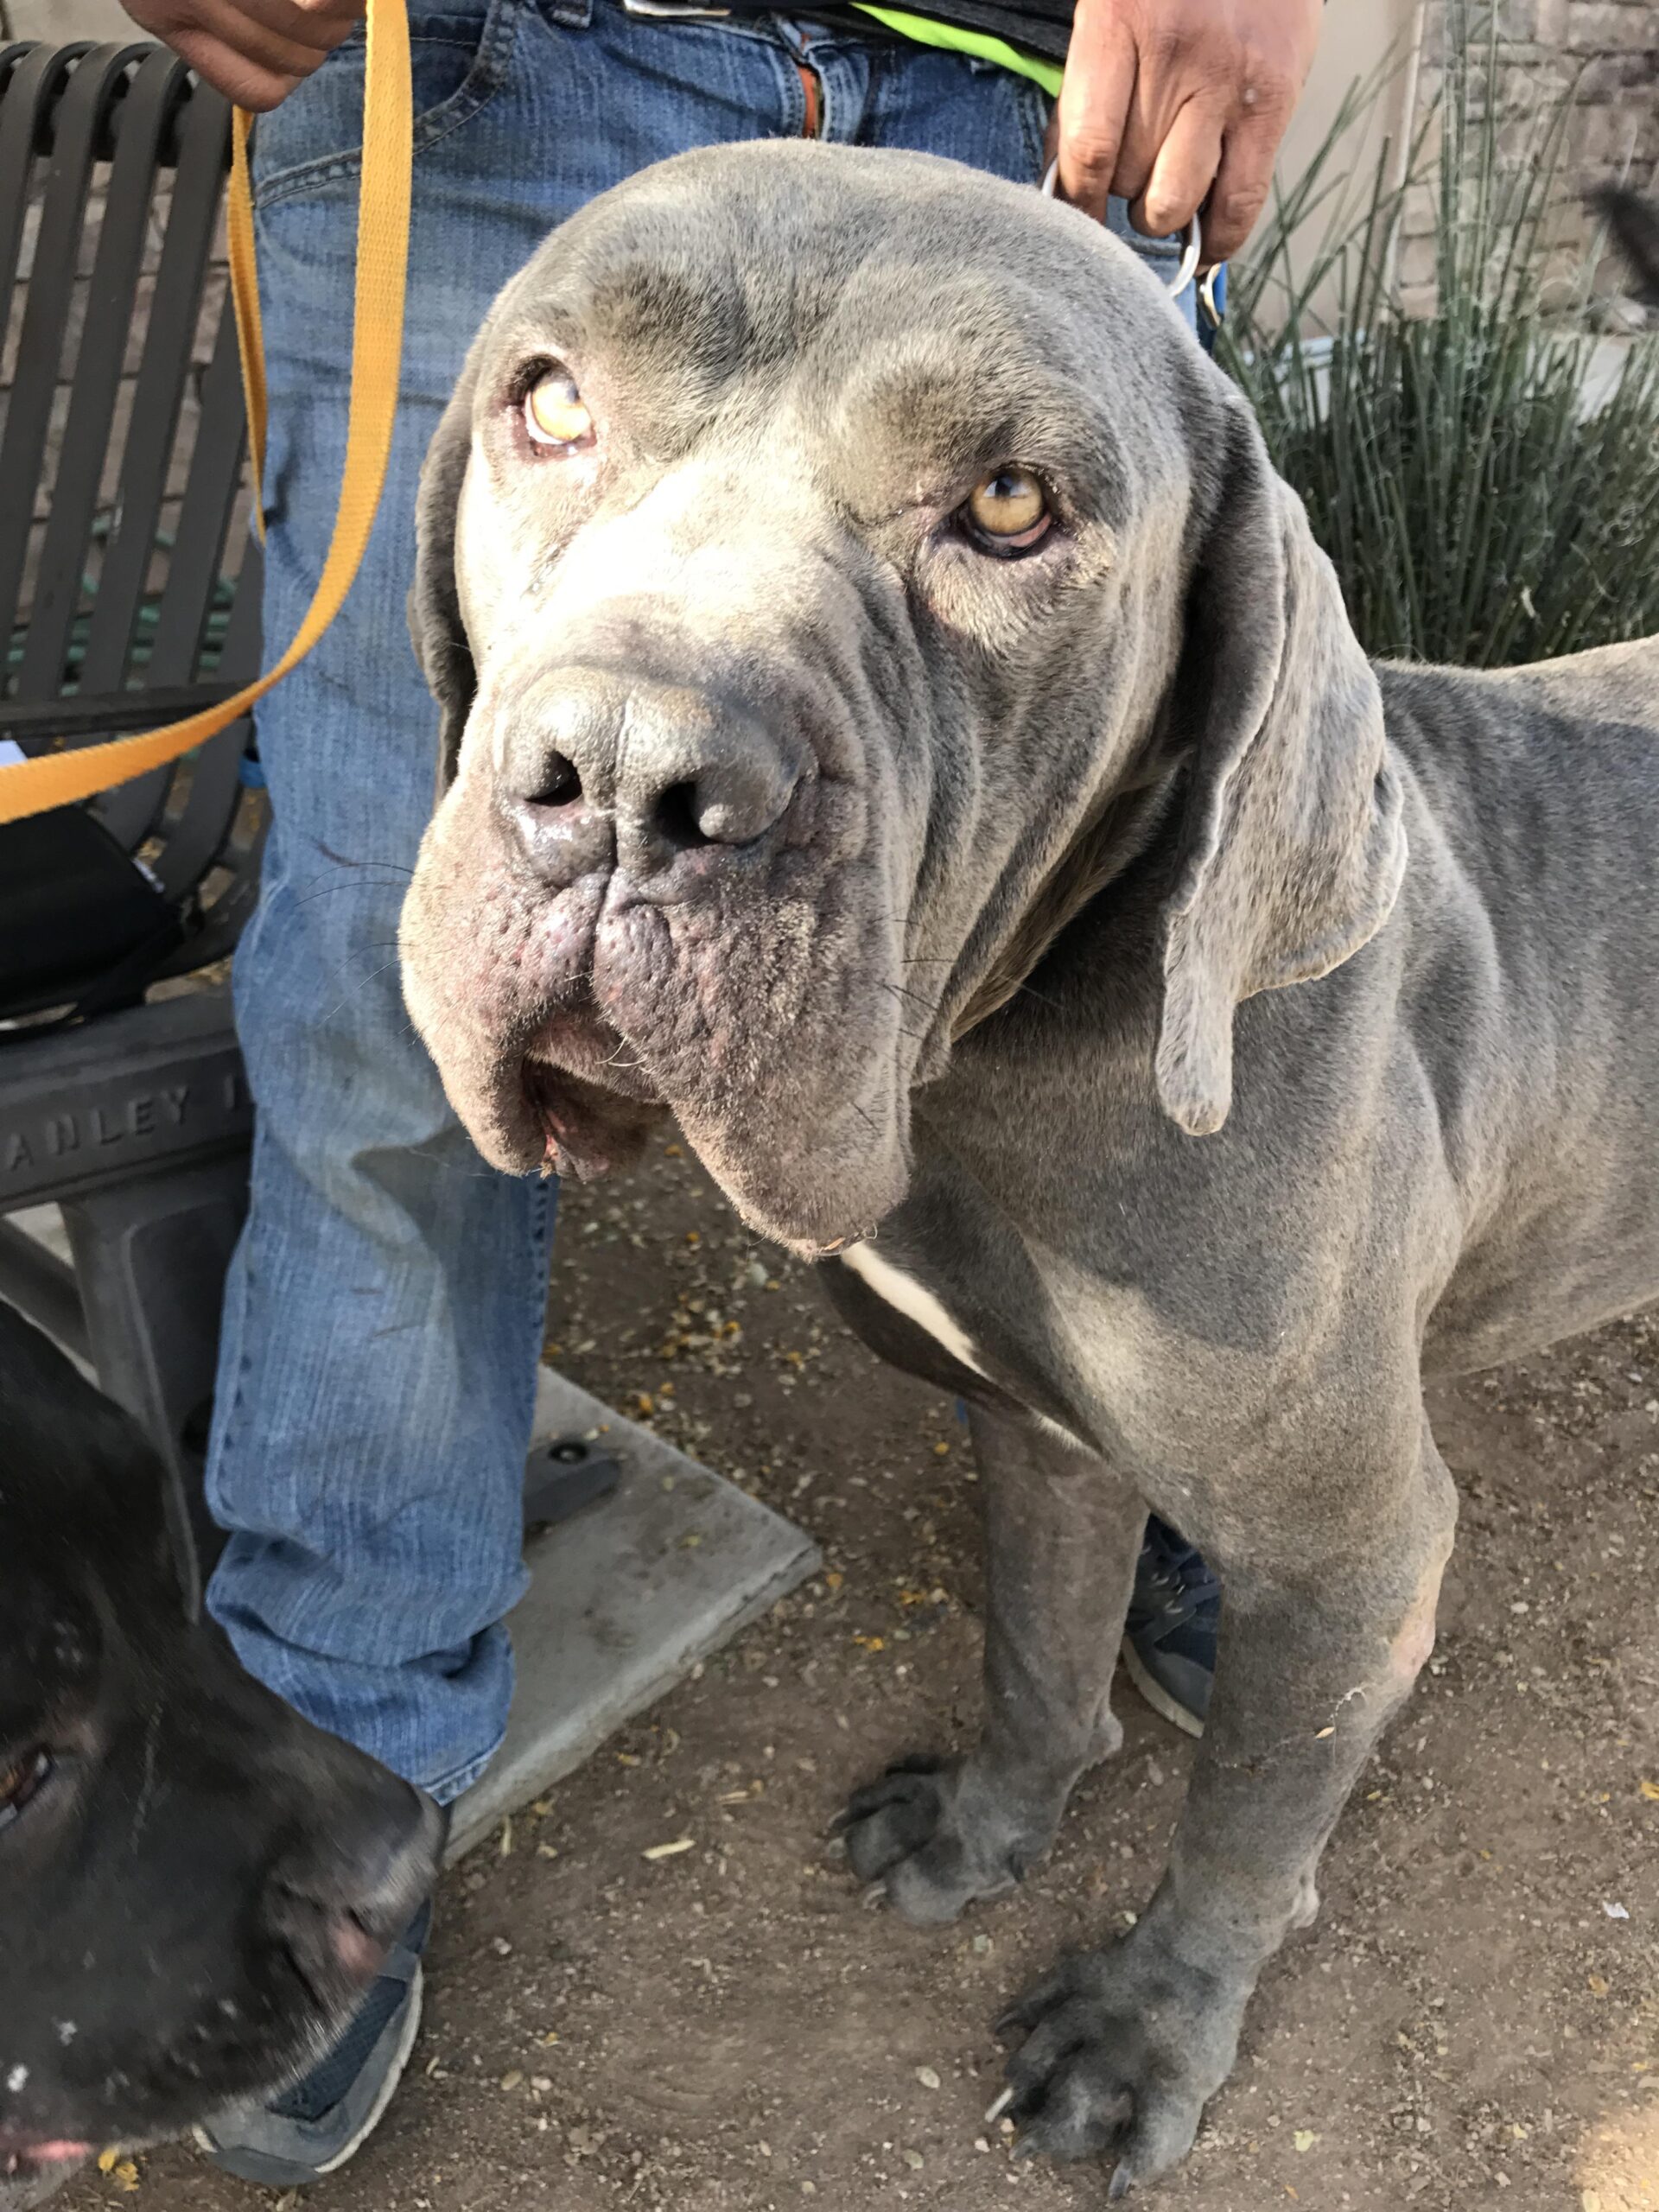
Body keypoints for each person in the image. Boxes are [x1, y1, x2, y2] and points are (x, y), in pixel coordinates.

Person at [111, 0, 1321, 2182]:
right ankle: (344, 1752)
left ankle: (1203, 1472)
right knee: (392, 1010)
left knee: (1122, 974)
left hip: (1046, 76)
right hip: (490, 50)